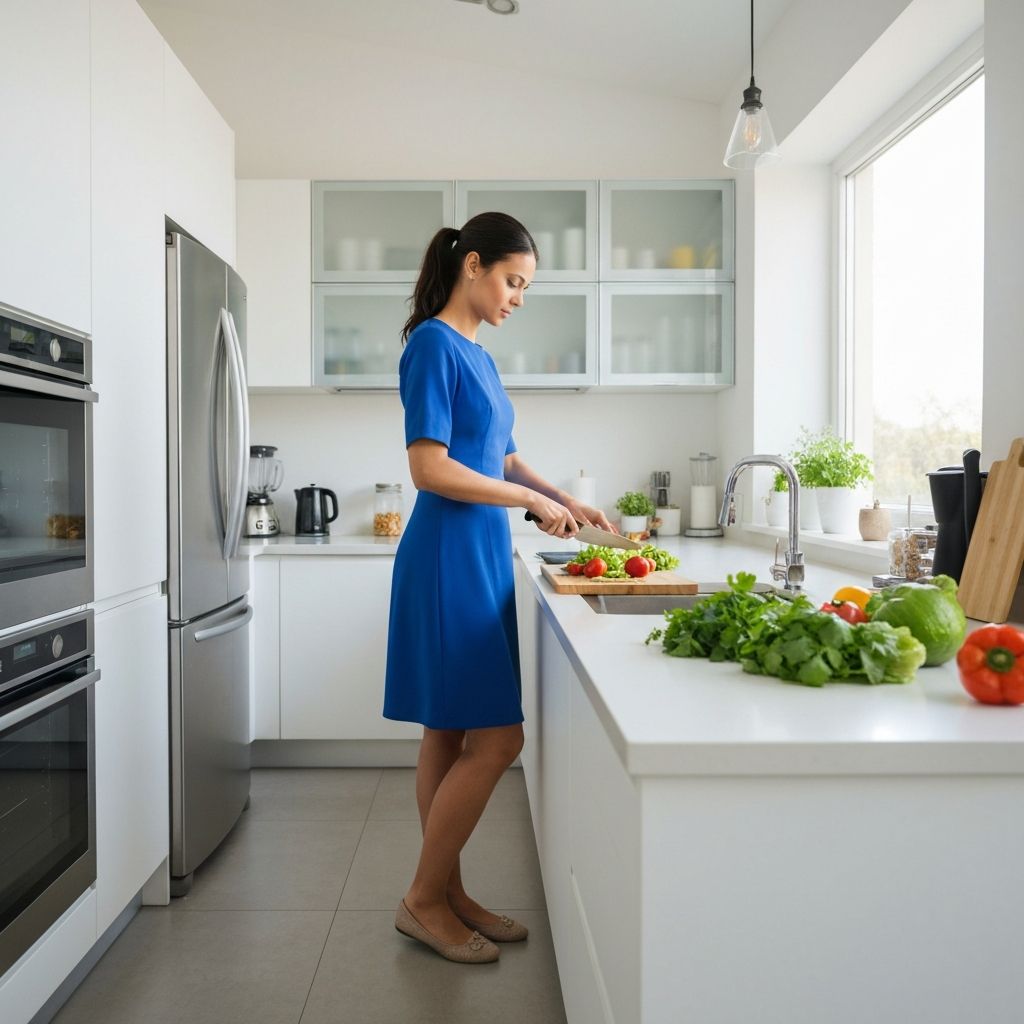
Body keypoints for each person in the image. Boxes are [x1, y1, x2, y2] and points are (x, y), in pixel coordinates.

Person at [384, 211, 615, 964]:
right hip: (448, 556)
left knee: (449, 734)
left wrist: (564, 498)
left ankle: (446, 891)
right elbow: (431, 468)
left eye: (525, 286)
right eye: (513, 280)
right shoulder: (431, 345)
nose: (518, 295)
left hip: (479, 552)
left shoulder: (479, 356)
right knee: (498, 737)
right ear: (474, 265)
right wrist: (529, 505)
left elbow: (505, 457)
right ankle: (422, 898)